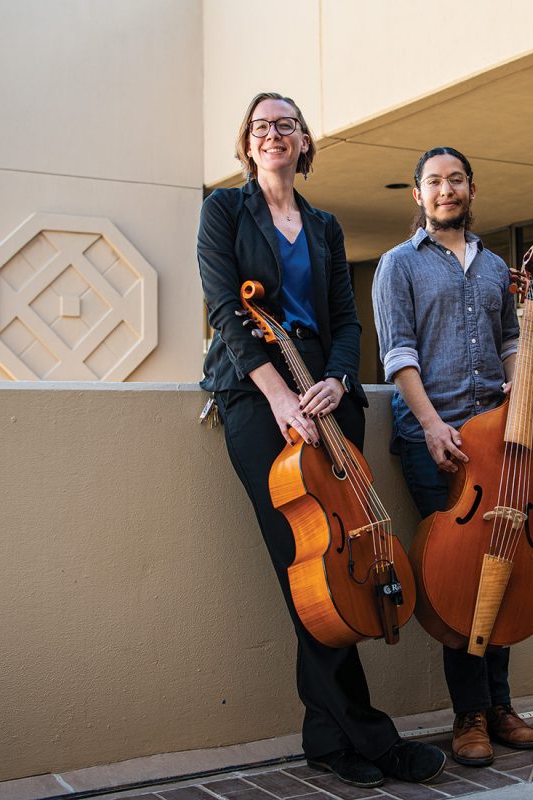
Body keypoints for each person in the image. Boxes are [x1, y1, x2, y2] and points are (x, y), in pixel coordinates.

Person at [197, 93, 446, 789]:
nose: (273, 134)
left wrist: (338, 381)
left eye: (287, 125)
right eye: (260, 126)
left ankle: (326, 741)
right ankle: (374, 737)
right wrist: (280, 397)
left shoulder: (325, 225)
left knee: (341, 562)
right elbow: (226, 309)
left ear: (305, 143)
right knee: (305, 569)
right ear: (246, 144)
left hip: (330, 398)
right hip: (258, 399)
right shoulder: (223, 211)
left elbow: (346, 318)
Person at [372, 146, 533, 767]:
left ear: (472, 188)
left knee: (504, 560)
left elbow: (507, 340)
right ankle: (468, 714)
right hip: (433, 440)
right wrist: (431, 423)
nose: (446, 190)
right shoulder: (397, 265)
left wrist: (521, 382)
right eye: (434, 182)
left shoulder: (497, 266)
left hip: (495, 439)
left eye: (456, 179)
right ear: (418, 196)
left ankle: (501, 705)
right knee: (458, 577)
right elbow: (398, 355)